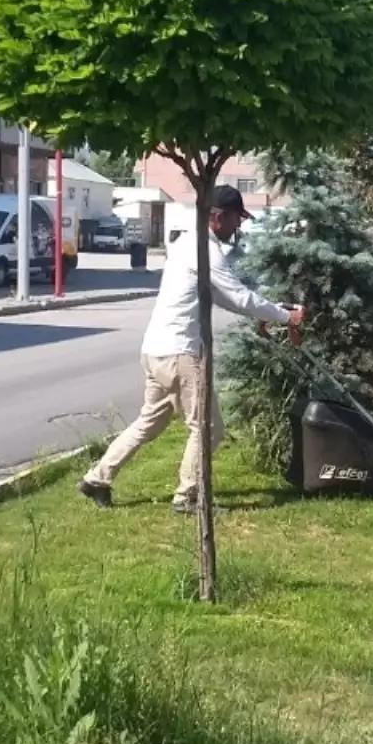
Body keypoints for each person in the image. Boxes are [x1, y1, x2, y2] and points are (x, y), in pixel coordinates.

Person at [78, 185, 303, 513]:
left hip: (155, 350)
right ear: (217, 217)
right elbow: (238, 295)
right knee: (209, 428)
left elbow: (225, 297)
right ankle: (188, 498)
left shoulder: (186, 244)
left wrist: (269, 313)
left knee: (150, 421)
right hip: (181, 354)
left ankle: (97, 479)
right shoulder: (205, 249)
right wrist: (288, 316)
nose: (237, 227)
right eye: (235, 219)